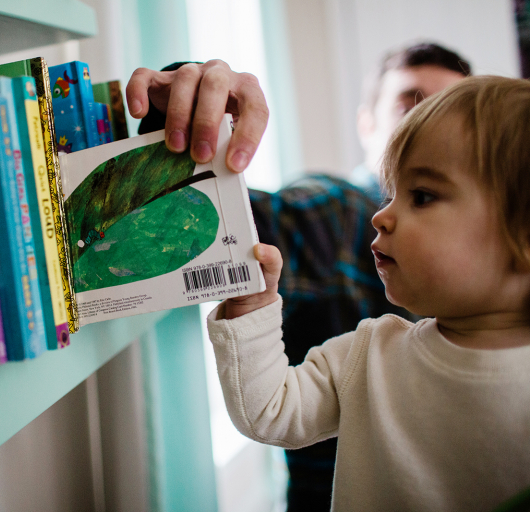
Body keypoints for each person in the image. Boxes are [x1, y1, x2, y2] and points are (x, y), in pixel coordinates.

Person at [207, 75, 530, 510]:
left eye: (422, 196)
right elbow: (269, 410)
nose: (382, 216)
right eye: (391, 194)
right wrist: (252, 307)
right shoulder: (367, 355)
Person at [353, 42, 471, 203]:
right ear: (366, 125)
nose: (433, 125)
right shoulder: (342, 207)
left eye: (451, 112)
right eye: (407, 109)